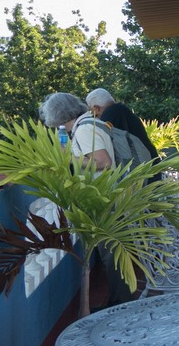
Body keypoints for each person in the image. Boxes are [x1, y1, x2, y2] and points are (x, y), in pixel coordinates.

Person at [39, 92, 134, 307]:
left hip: (104, 196)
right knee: (112, 252)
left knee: (110, 253)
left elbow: (102, 162)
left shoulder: (84, 129)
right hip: (109, 193)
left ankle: (121, 303)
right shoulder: (91, 123)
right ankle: (120, 300)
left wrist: (67, 157)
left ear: (57, 114)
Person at [85, 88, 159, 161]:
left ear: (96, 108)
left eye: (92, 112)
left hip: (141, 164)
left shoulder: (110, 113)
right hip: (149, 159)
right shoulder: (121, 110)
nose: (94, 117)